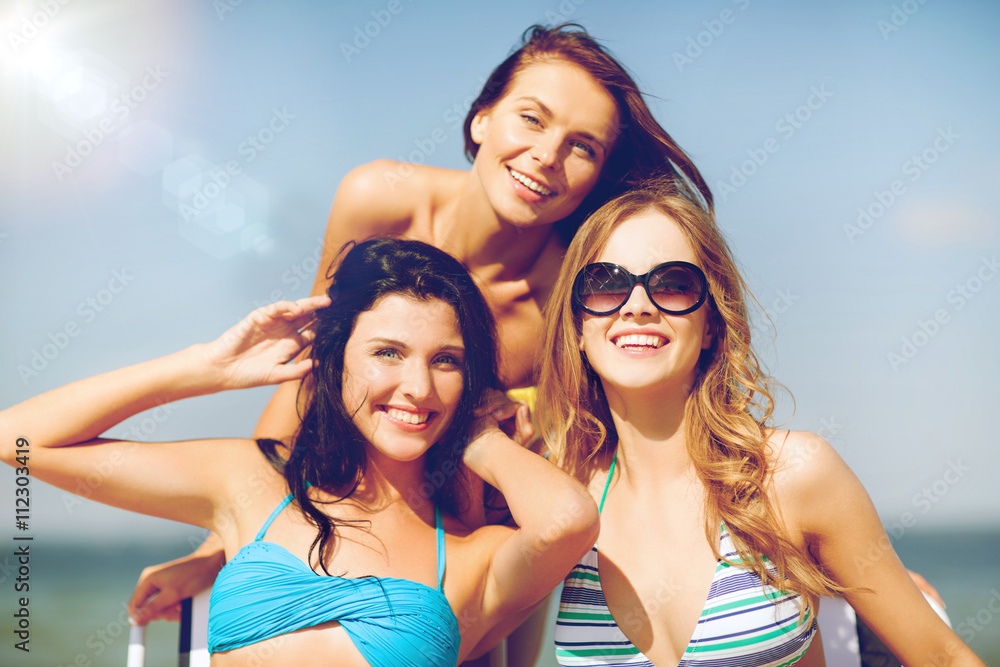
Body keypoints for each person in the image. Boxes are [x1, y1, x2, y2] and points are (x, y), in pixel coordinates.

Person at [130, 21, 714, 630]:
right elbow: (309, 376)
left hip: (478, 543)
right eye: (532, 119)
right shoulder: (379, 200)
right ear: (480, 120)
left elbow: (615, 421)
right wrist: (215, 550)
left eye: (583, 147)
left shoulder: (569, 294)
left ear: (597, 172)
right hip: (346, 514)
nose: (547, 155)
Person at [0, 238, 600, 665]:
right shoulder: (252, 483)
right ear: (335, 360)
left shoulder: (470, 554)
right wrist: (205, 367)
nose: (418, 387)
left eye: (446, 361)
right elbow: (20, 440)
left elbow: (567, 522)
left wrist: (479, 435)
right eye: (388, 353)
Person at [535, 177, 984, 666]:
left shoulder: (789, 475)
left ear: (711, 324)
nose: (638, 305)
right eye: (606, 285)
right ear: (577, 326)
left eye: (673, 284)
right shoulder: (560, 497)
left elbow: (941, 656)